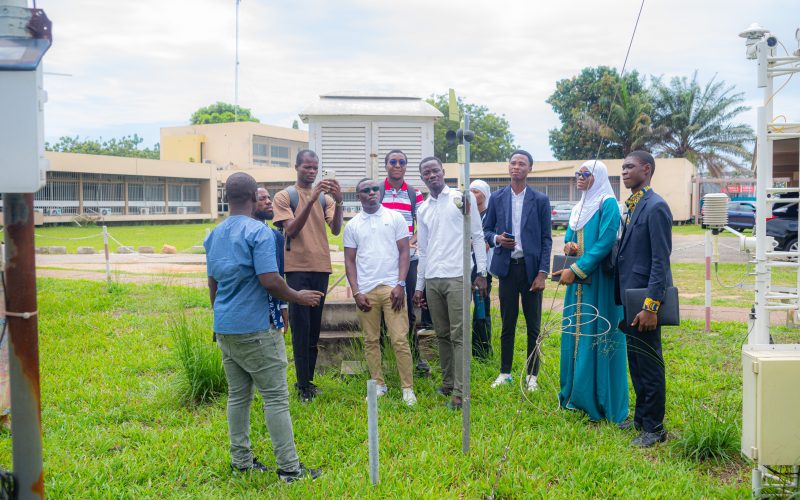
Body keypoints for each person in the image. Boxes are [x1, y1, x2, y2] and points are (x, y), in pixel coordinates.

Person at [205, 172, 322, 482]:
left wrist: (218, 319)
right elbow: (269, 280)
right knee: (275, 398)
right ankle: (290, 469)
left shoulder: (213, 235)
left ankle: (241, 462)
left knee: (238, 397)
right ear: (252, 197)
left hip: (226, 328)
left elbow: (212, 284)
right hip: (256, 329)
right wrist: (298, 296)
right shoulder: (258, 233)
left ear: (225, 197)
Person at [553, 160, 628, 424]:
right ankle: (574, 395)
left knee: (598, 333)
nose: (580, 178)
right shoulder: (579, 207)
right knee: (575, 333)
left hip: (600, 284)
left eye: (585, 174)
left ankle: (601, 401)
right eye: (578, 174)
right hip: (576, 282)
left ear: (598, 176)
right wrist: (569, 246)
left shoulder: (607, 203)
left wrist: (579, 268)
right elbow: (569, 238)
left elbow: (606, 241)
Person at [413, 157, 487, 410]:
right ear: (422, 178)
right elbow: (422, 251)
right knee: (442, 334)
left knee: (459, 335)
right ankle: (447, 382)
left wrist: (482, 272)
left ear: (443, 172)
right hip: (433, 277)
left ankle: (460, 391)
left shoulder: (460, 200)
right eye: (426, 173)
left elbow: (477, 236)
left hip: (457, 275)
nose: (432, 175)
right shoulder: (422, 209)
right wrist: (419, 286)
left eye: (435, 171)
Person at [272, 149, 344, 402]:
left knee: (314, 329)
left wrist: (339, 200)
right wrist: (312, 199)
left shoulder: (326, 199)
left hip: (320, 268)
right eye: (307, 167)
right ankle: (302, 386)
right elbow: (290, 230)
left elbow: (335, 230)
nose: (312, 172)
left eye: (315, 168)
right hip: (297, 270)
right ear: (296, 167)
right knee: (300, 328)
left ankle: (308, 381)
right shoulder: (284, 196)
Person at [614, 150, 673, 448]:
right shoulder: (634, 205)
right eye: (622, 167)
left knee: (649, 362)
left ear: (646, 170)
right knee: (635, 361)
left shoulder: (656, 206)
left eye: (629, 167)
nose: (624, 171)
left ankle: (655, 428)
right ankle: (640, 419)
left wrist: (651, 307)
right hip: (629, 297)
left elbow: (660, 262)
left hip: (645, 301)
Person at [344, 178, 417, 406]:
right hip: (366, 291)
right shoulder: (353, 225)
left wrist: (401, 284)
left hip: (392, 288)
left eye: (375, 189)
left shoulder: (394, 217)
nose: (372, 193)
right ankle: (379, 384)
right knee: (371, 340)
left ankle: (407, 389)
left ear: (381, 192)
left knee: (399, 339)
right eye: (366, 190)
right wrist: (356, 292)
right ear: (359, 196)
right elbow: (349, 261)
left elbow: (404, 252)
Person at [484, 149, 552, 392]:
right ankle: (505, 372)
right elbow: (486, 231)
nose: (516, 167)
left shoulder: (540, 200)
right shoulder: (497, 198)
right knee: (507, 322)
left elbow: (546, 239)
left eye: (522, 163)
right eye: (513, 163)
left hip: (531, 270)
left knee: (533, 325)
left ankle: (532, 375)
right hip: (507, 269)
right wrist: (498, 239)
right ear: (508, 167)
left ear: (529, 169)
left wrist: (543, 272)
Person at [380, 149, 431, 376]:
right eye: (393, 162)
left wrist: (414, 238)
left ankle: (414, 355)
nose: (397, 165)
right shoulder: (378, 191)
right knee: (381, 305)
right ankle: (381, 355)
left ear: (405, 166)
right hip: (382, 260)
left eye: (401, 162)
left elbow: (423, 222)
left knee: (409, 309)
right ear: (386, 165)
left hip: (408, 259)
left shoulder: (414, 194)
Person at [254, 187, 288, 334]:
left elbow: (280, 275)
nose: (268, 202)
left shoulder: (276, 236)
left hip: (271, 315)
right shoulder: (244, 234)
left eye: (269, 198)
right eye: (262, 199)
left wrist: (284, 307)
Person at [469, 179, 494, 360]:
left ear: (484, 194)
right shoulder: (465, 214)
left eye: (476, 191)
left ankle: (482, 351)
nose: (472, 194)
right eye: (470, 191)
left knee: (481, 308)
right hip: (464, 265)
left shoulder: (490, 215)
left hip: (483, 267)